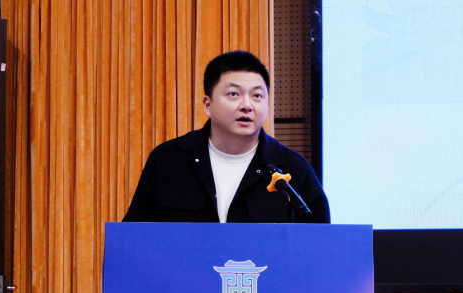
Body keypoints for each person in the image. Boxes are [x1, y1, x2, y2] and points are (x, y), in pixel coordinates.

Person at [123, 51, 330, 223]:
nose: (247, 105)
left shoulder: (293, 169)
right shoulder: (168, 160)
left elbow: (321, 244)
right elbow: (134, 238)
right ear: (208, 105)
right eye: (233, 94)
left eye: (257, 96)